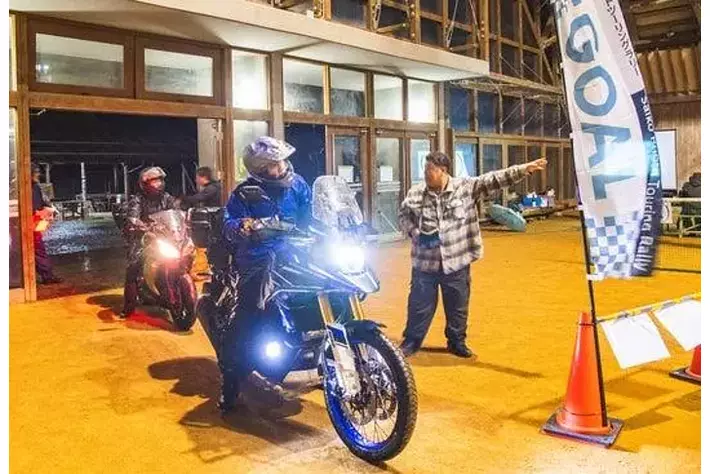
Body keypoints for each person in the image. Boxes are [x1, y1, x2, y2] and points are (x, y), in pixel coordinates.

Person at [397, 151, 547, 359]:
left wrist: (523, 169)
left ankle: (457, 342)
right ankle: (411, 341)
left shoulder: (465, 188)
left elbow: (494, 179)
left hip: (457, 262)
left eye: (430, 169)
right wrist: (416, 234)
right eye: (425, 169)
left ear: (443, 170)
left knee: (457, 305)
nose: (426, 173)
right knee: (419, 304)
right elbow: (403, 217)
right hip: (425, 264)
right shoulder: (415, 193)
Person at [218, 136, 311, 415]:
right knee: (248, 317)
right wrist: (242, 226)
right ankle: (231, 383)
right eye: (272, 164)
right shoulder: (244, 193)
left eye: (281, 161)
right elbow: (228, 224)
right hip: (259, 261)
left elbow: (312, 217)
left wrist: (343, 225)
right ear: (259, 169)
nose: (279, 167)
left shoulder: (298, 184)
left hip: (297, 257)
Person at [120, 166, 178, 318]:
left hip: (164, 237)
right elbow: (133, 216)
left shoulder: (167, 198)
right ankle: (128, 306)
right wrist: (137, 223)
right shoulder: (137, 200)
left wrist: (184, 221)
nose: (158, 184)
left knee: (183, 254)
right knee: (133, 267)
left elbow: (175, 213)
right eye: (154, 181)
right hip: (143, 237)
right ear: (145, 184)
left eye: (160, 180)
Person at [31, 163, 62, 284]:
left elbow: (42, 202)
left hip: (37, 221)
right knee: (39, 248)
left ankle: (46, 274)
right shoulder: (32, 187)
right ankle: (47, 275)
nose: (38, 174)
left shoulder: (35, 187)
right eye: (36, 172)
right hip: (33, 221)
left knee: (38, 248)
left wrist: (49, 209)